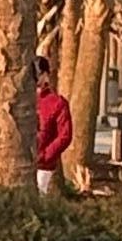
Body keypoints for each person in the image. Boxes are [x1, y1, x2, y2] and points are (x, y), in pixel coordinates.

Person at [34, 53, 75, 196]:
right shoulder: (22, 100)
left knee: (38, 195)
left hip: (43, 166)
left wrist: (46, 155)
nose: (36, 79)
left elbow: (65, 135)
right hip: (21, 160)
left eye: (39, 74)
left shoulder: (57, 103)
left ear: (46, 75)